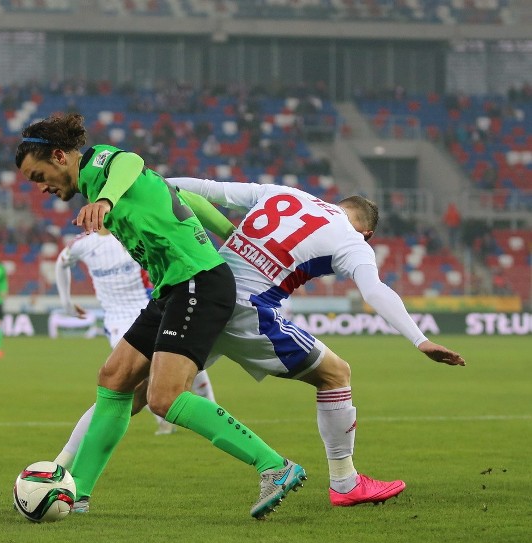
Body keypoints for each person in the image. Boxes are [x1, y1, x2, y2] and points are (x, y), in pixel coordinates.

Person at [16, 113, 305, 519]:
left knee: (164, 398)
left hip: (197, 282)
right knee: (114, 379)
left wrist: (106, 199)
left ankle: (274, 466)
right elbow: (187, 198)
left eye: (37, 175)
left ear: (60, 156)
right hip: (173, 287)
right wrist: (234, 238)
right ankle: (77, 491)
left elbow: (130, 160)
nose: (41, 187)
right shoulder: (105, 187)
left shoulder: (103, 166)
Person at [168, 176, 466, 506]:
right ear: (367, 232)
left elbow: (209, 189)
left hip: (200, 295)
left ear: (340, 206)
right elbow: (375, 291)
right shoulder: (353, 241)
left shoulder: (286, 194)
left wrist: (141, 180)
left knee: (133, 388)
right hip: (244, 310)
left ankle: (94, 482)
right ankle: (344, 482)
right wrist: (419, 340)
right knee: (336, 375)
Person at [53, 227, 217, 447]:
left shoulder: (132, 233)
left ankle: (213, 415)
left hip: (150, 308)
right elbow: (61, 262)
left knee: (191, 364)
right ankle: (164, 421)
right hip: (117, 319)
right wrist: (66, 303)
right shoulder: (83, 244)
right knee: (137, 376)